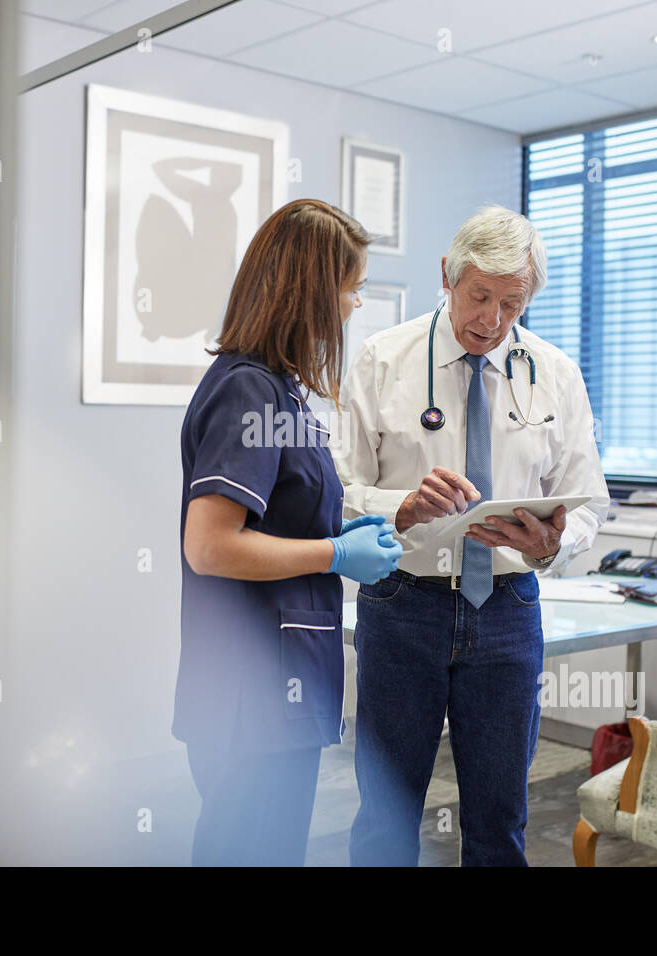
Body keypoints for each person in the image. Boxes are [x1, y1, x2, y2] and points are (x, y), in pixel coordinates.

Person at [333, 205, 611, 866]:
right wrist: (401, 504)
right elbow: (337, 493)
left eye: (511, 303)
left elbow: (591, 501)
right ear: (448, 278)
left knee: (499, 819)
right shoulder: (382, 360)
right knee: (387, 814)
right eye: (479, 296)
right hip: (404, 605)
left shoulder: (555, 373)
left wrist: (556, 544)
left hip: (509, 611)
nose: (491, 319)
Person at [175, 198, 403, 866]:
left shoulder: (278, 391)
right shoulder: (250, 391)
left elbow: (275, 517)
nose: (356, 304)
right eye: (351, 287)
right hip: (253, 693)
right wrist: (335, 553)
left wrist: (342, 529)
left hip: (270, 688)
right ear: (311, 291)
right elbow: (210, 544)